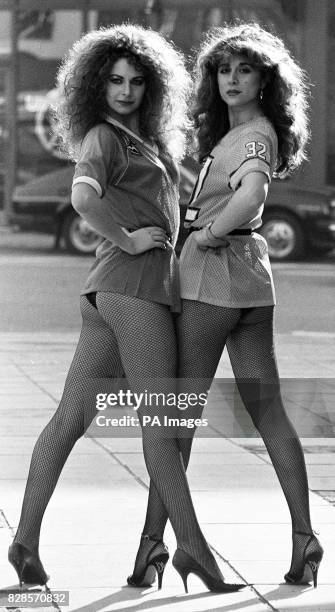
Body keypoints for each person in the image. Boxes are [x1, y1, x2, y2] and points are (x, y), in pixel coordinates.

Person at [8, 24, 245, 595]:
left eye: (137, 81)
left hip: (111, 295)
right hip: (131, 289)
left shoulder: (146, 144)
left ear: (152, 87)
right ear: (96, 83)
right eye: (114, 79)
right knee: (162, 424)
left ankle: (25, 544)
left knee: (69, 420)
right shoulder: (102, 139)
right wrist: (131, 238)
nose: (125, 90)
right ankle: (193, 551)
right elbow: (82, 198)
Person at [130, 22, 323, 589]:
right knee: (268, 413)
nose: (232, 79)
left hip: (212, 283)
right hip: (251, 285)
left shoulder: (252, 137)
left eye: (245, 69)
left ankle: (152, 547)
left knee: (176, 417)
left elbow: (253, 192)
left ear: (266, 78)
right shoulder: (243, 131)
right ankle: (303, 540)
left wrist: (210, 230)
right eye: (223, 69)